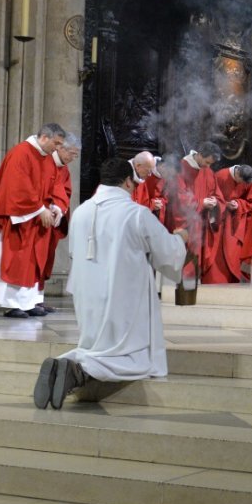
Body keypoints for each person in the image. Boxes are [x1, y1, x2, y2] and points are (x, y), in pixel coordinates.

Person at [33, 157, 188, 410]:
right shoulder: (136, 214)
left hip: (87, 296)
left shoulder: (81, 211)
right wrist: (180, 239)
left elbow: (74, 252)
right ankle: (77, 371)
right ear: (128, 182)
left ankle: (67, 363)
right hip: (124, 297)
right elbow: (166, 253)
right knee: (129, 355)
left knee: (94, 344)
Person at [0, 123, 66, 318]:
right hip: (17, 219)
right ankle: (11, 303)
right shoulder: (21, 153)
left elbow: (53, 184)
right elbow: (17, 187)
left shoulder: (46, 159)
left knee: (32, 262)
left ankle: (28, 302)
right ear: (44, 137)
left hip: (35, 220)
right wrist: (40, 209)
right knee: (17, 260)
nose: (57, 148)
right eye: (56, 143)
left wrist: (55, 207)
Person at [36, 133, 81, 313]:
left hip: (51, 222)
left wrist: (59, 209)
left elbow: (65, 193)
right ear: (60, 148)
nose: (73, 158)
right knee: (35, 261)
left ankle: (38, 299)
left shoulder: (64, 170)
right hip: (38, 219)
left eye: (76, 155)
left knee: (46, 260)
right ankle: (28, 301)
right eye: (72, 153)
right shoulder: (44, 162)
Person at [172, 141, 225, 283]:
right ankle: (185, 286)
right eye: (207, 162)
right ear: (200, 155)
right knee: (189, 254)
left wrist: (214, 202)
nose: (208, 167)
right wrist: (201, 203)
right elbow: (180, 197)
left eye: (211, 164)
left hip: (203, 220)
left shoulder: (208, 171)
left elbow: (217, 194)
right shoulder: (182, 167)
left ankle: (195, 282)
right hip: (187, 222)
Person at [213, 164, 252, 282]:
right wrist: (225, 204)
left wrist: (238, 204)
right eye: (240, 181)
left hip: (236, 221)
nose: (241, 185)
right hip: (219, 219)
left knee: (234, 252)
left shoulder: (247, 180)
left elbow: (251, 200)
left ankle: (234, 277)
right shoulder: (221, 176)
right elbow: (211, 196)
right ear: (237, 174)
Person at [131, 151, 169, 225]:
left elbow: (144, 200)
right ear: (138, 166)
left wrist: (158, 202)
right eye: (148, 171)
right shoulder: (125, 179)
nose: (149, 175)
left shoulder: (142, 175)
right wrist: (151, 205)